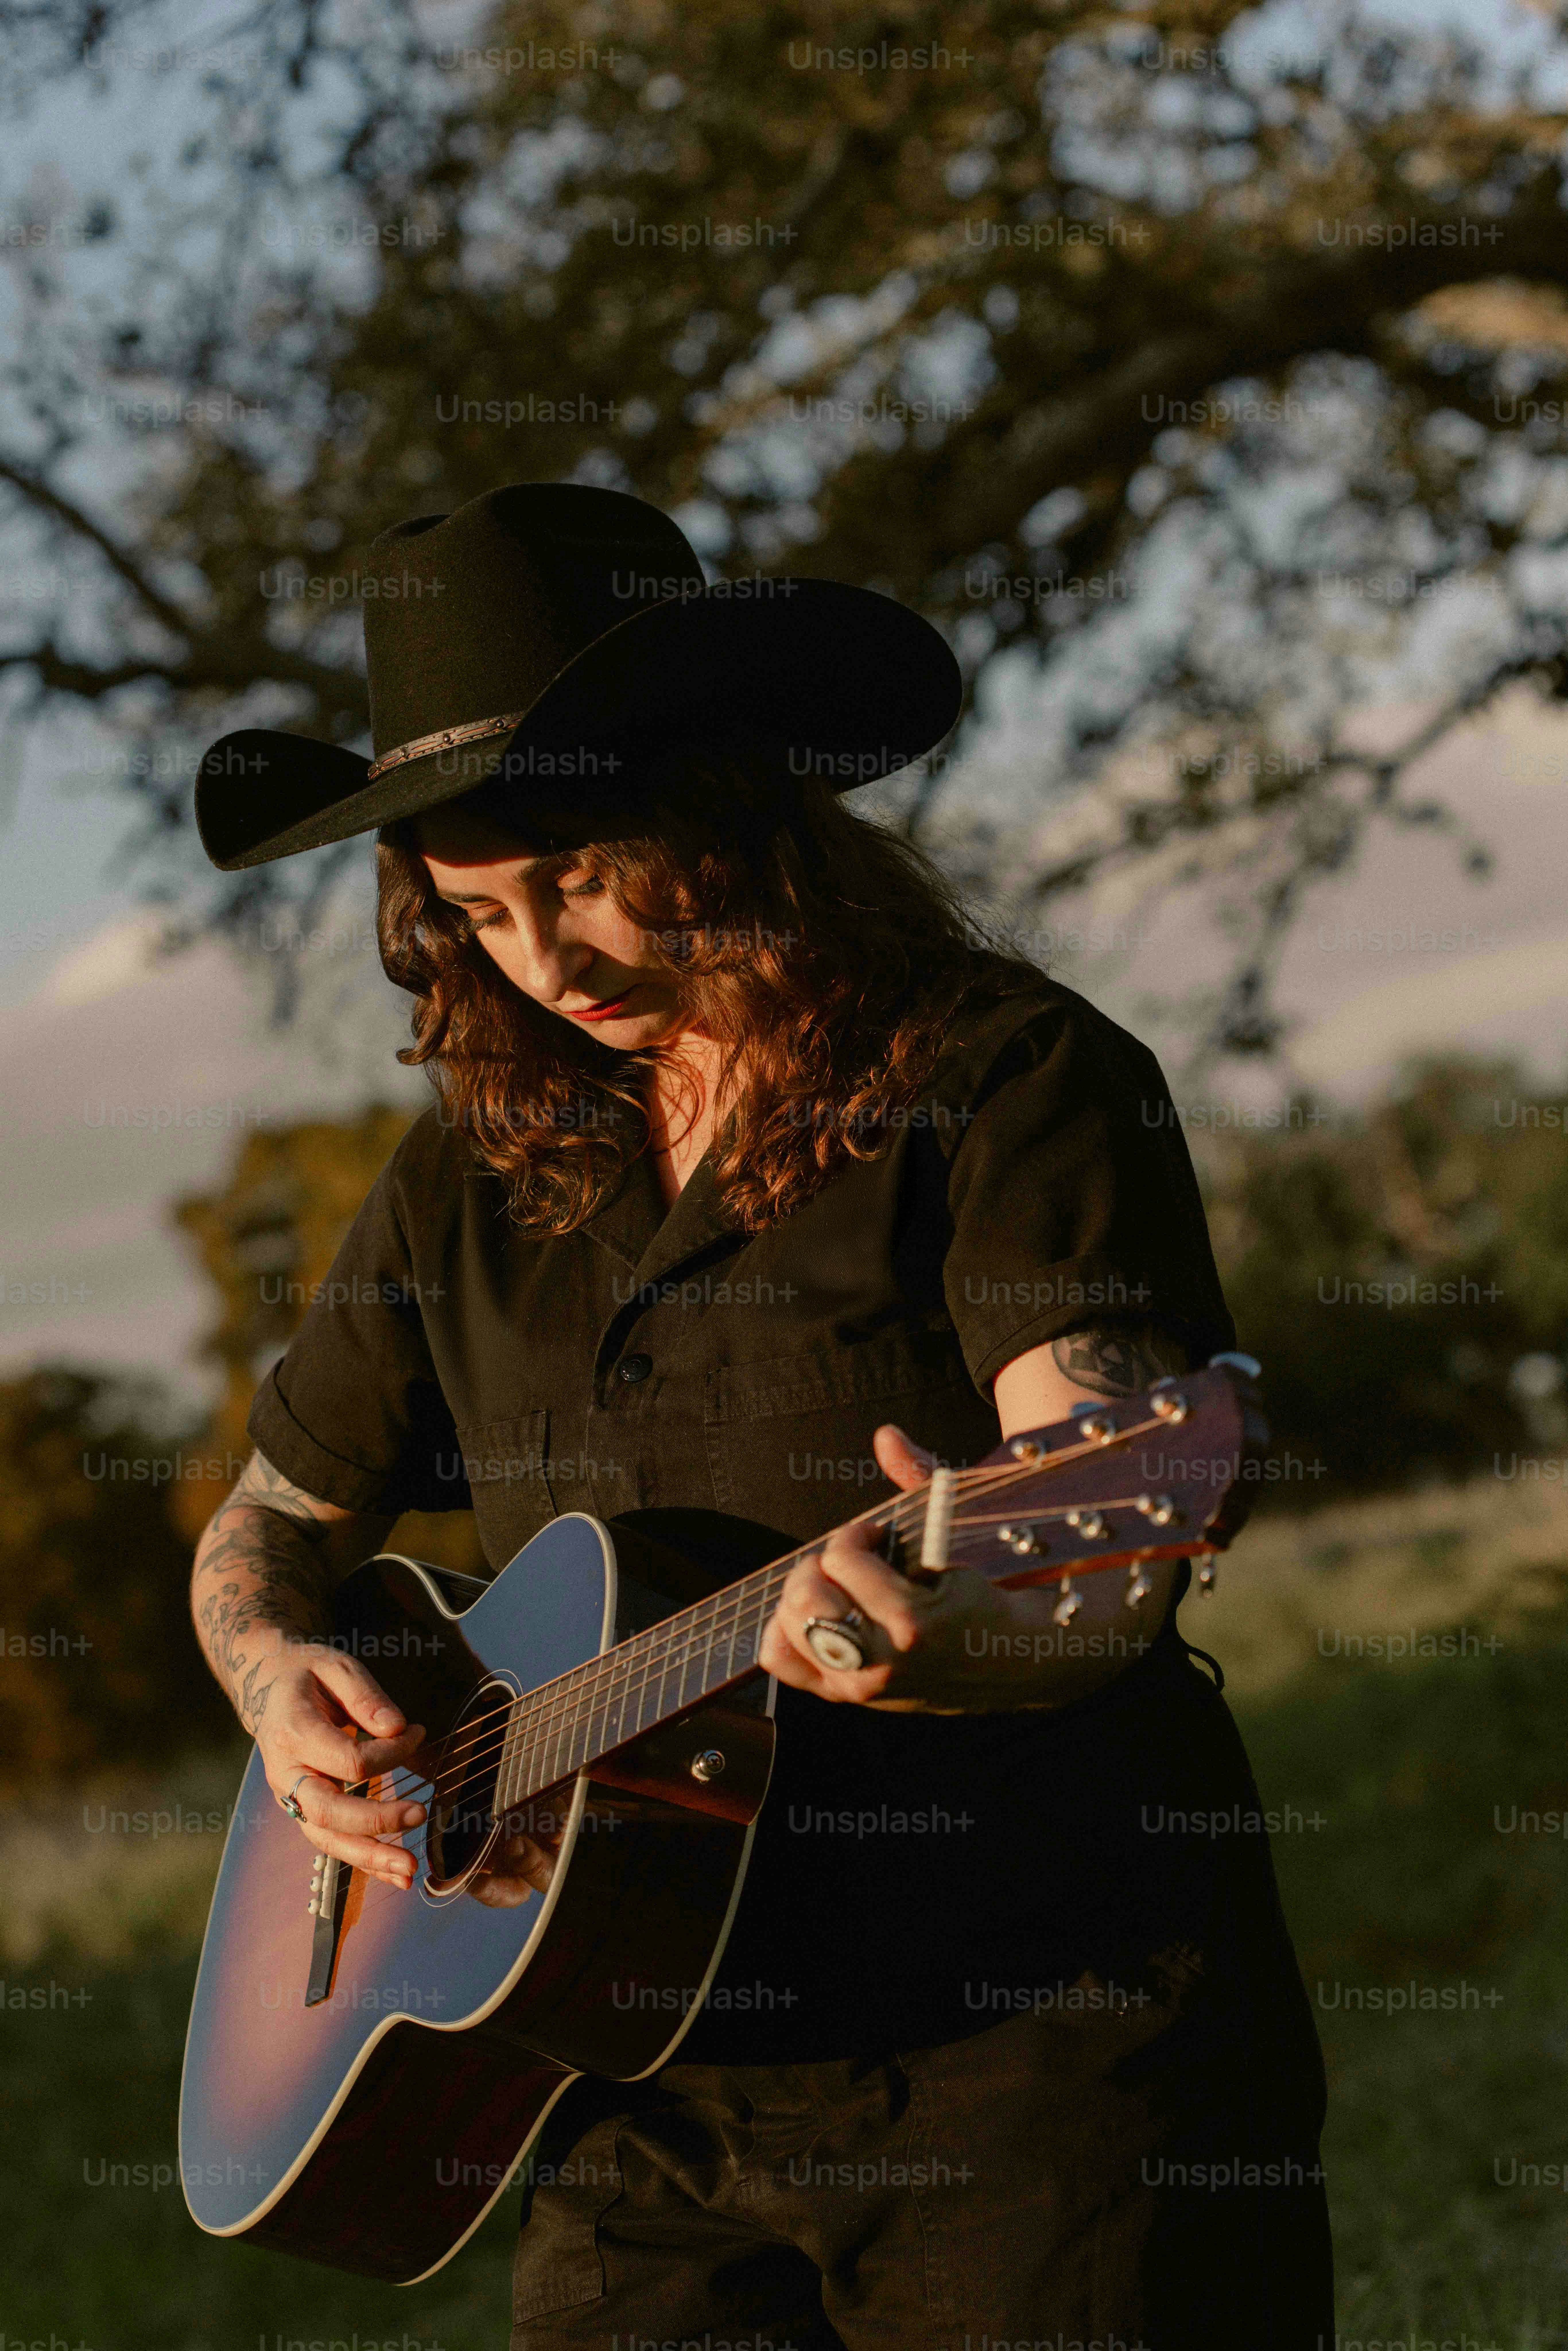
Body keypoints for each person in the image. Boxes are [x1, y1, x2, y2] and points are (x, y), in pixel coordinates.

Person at [189, 482, 1332, 2349]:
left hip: (1038, 2048)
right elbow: (262, 1532)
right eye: (478, 913)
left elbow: (1104, 1557)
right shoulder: (463, 1181)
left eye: (575, 873)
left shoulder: (1015, 1082)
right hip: (626, 2095)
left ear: (726, 804)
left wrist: (952, 1641)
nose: (545, 963)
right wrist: (271, 1680)